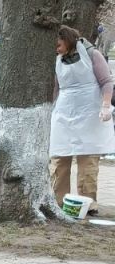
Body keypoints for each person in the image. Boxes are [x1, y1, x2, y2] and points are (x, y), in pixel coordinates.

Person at [50, 25, 115, 217]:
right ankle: (58, 201)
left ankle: (88, 203)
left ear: (68, 39)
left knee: (88, 162)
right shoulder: (57, 59)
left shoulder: (92, 54)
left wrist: (105, 105)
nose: (57, 48)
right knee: (59, 158)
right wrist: (51, 110)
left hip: (90, 114)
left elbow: (106, 82)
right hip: (64, 112)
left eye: (59, 44)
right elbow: (56, 87)